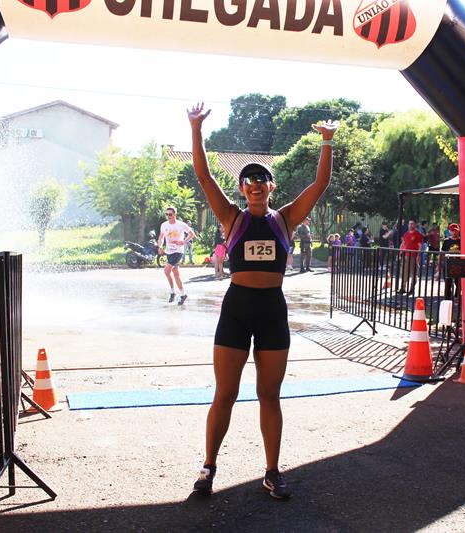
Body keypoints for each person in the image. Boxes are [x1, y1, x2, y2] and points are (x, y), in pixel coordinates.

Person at [187, 102, 337, 499]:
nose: (254, 185)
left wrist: (326, 142)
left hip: (272, 309)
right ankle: (208, 468)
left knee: (269, 394)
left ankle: (272, 471)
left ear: (271, 187)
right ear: (242, 189)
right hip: (237, 309)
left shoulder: (285, 219)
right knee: (225, 394)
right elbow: (202, 176)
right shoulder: (232, 218)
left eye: (262, 180)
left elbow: (319, 186)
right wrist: (196, 128)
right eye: (248, 181)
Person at [157, 206, 195, 305]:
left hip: (178, 251)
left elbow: (192, 234)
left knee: (166, 270)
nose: (168, 216)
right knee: (176, 275)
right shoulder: (164, 225)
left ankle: (173, 292)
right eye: (167, 214)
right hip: (169, 251)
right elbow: (161, 237)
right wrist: (160, 246)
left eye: (170, 214)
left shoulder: (181, 225)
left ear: (174, 214)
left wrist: (184, 241)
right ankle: (183, 294)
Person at [399, 219, 424, 294]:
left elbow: (420, 246)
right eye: (409, 224)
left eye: (412, 224)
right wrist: (400, 252)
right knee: (404, 272)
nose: (410, 225)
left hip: (414, 256)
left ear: (415, 225)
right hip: (406, 256)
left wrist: (418, 256)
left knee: (414, 273)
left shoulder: (418, 234)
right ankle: (403, 288)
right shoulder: (406, 234)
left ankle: (412, 289)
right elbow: (403, 244)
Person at [441, 223, 461, 300]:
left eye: (456, 231)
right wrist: (440, 264)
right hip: (448, 264)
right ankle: (447, 298)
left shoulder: (461, 241)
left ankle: (457, 296)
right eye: (452, 231)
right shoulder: (446, 241)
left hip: (458, 264)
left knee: (458, 282)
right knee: (448, 282)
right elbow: (442, 253)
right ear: (449, 231)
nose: (454, 232)